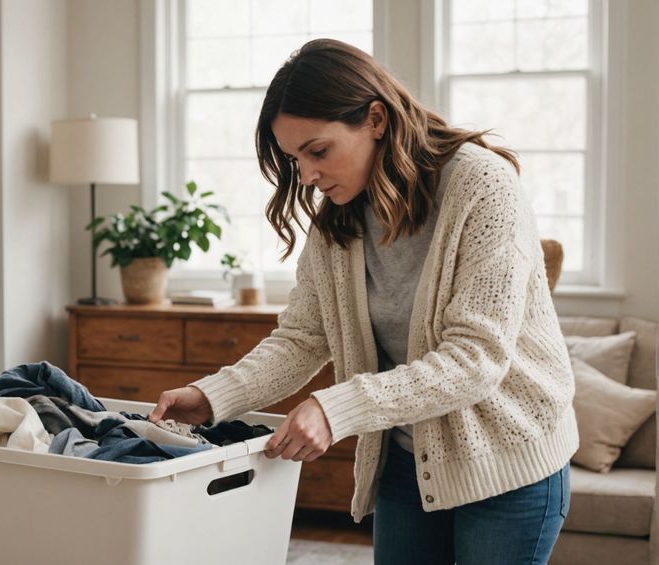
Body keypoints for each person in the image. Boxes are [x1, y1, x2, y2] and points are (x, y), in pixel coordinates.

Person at [148, 39, 576, 565]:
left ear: (375, 119)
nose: (305, 176)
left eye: (317, 151)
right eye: (293, 158)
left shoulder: (482, 185)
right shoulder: (339, 217)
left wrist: (336, 408)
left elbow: (476, 359)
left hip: (508, 463)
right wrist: (212, 397)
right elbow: (304, 336)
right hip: (405, 459)